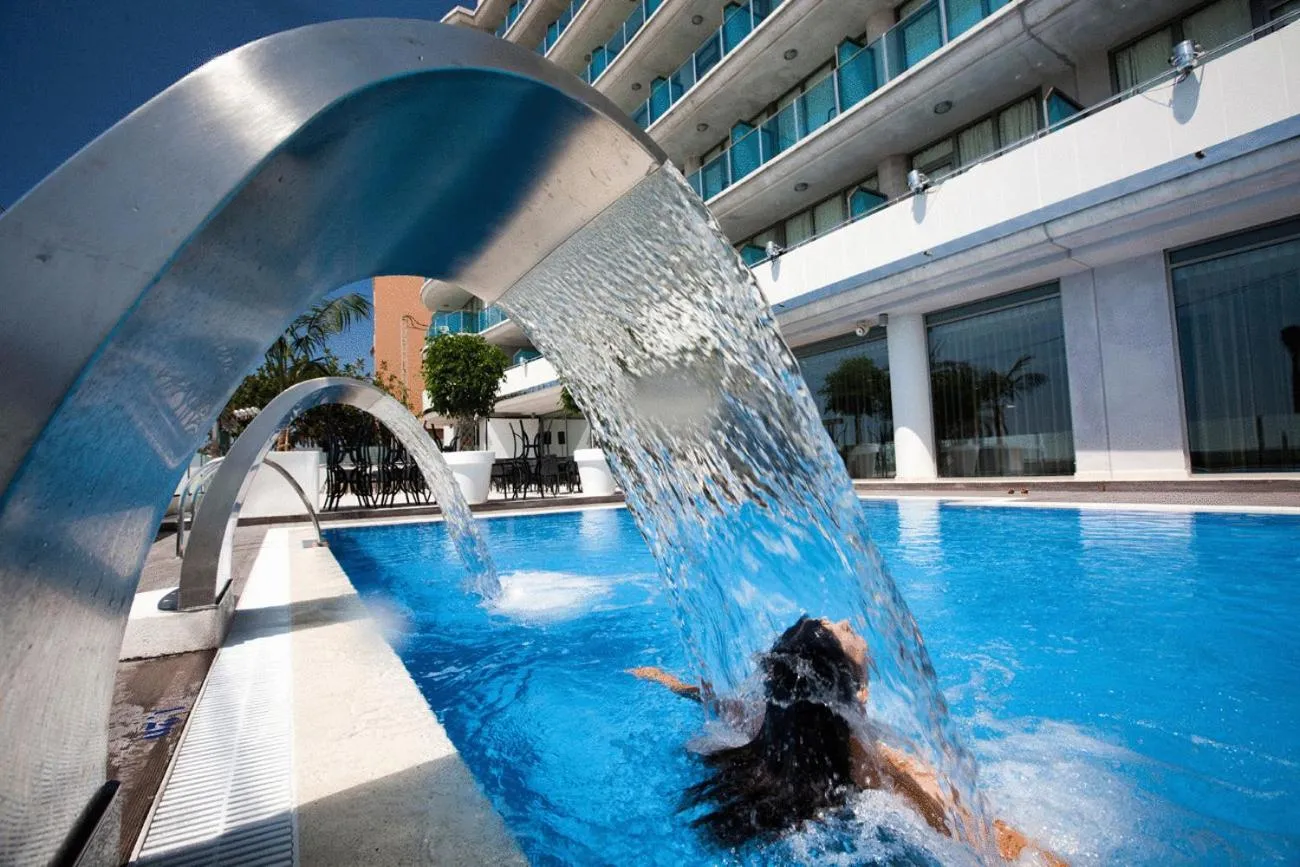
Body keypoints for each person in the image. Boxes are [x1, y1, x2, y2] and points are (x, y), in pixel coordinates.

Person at [629, 616, 1065, 865]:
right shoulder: (878, 764)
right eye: (842, 629)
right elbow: (983, 836)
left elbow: (722, 705)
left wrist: (669, 682)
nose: (850, 622)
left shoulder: (776, 725)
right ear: (860, 693)